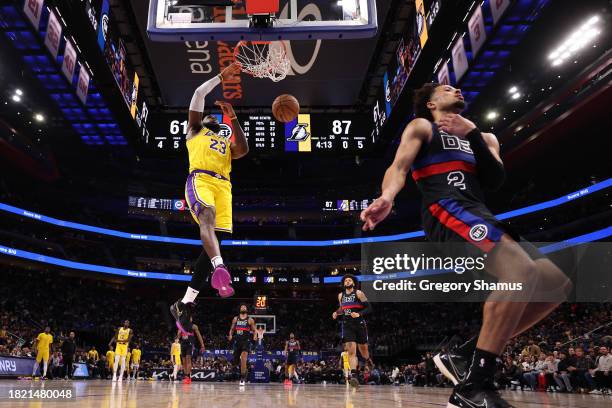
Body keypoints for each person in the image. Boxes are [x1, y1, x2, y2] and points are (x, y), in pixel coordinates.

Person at [360, 83, 571, 407]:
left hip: (481, 213)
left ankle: (467, 354)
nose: (456, 89)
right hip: (447, 209)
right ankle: (475, 386)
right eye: (447, 88)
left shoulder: (484, 137)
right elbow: (398, 167)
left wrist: (471, 133)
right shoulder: (422, 126)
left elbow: (494, 180)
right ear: (431, 103)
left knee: (557, 284)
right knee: (519, 272)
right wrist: (387, 197)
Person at [170, 63, 248, 335]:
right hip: (200, 179)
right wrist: (219, 77)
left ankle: (185, 303)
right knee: (207, 218)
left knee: (216, 241)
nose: (213, 118)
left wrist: (234, 118)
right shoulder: (194, 130)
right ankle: (220, 267)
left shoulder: (225, 144)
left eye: (217, 119)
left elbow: (244, 149)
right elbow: (198, 94)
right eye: (209, 117)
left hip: (224, 187)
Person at [332, 274, 372, 388]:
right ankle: (354, 376)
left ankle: (368, 360)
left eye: (350, 280)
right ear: (344, 284)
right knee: (351, 352)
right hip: (347, 325)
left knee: (364, 352)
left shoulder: (359, 293)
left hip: (359, 324)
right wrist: (336, 312)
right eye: (346, 280)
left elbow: (369, 307)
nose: (348, 281)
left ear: (353, 283)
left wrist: (359, 313)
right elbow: (342, 309)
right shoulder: (340, 296)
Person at [228, 304, 257, 386]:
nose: (243, 307)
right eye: (242, 307)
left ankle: (242, 378)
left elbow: (254, 330)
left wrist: (255, 336)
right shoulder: (235, 319)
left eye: (245, 307)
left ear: (247, 309)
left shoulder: (250, 320)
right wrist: (230, 335)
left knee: (243, 357)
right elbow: (232, 329)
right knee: (235, 362)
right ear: (240, 309)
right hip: (237, 341)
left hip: (246, 341)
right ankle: (243, 371)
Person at [179, 317, 205, 384]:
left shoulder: (194, 326)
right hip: (183, 344)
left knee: (188, 359)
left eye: (190, 318)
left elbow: (199, 336)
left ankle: (188, 377)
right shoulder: (181, 325)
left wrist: (202, 345)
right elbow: (178, 336)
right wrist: (179, 331)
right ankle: (186, 376)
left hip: (190, 344)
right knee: (184, 361)